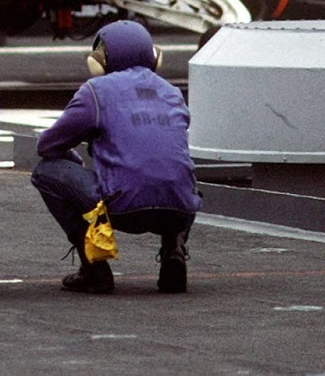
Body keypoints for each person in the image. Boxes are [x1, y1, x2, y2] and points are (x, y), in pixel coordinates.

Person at [31, 18, 200, 294]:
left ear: (99, 60)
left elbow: (47, 145)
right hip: (180, 211)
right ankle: (174, 250)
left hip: (125, 209)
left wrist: (77, 156)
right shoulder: (172, 93)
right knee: (177, 173)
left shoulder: (96, 92)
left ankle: (94, 267)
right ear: (154, 57)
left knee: (46, 171)